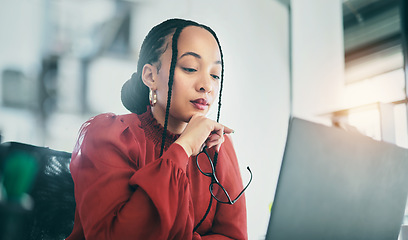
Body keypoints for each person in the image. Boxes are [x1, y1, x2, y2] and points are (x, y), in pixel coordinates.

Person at [67, 18, 250, 240]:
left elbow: (233, 236)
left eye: (215, 75)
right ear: (150, 76)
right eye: (190, 68)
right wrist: (182, 148)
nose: (207, 86)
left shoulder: (219, 147)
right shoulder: (110, 136)